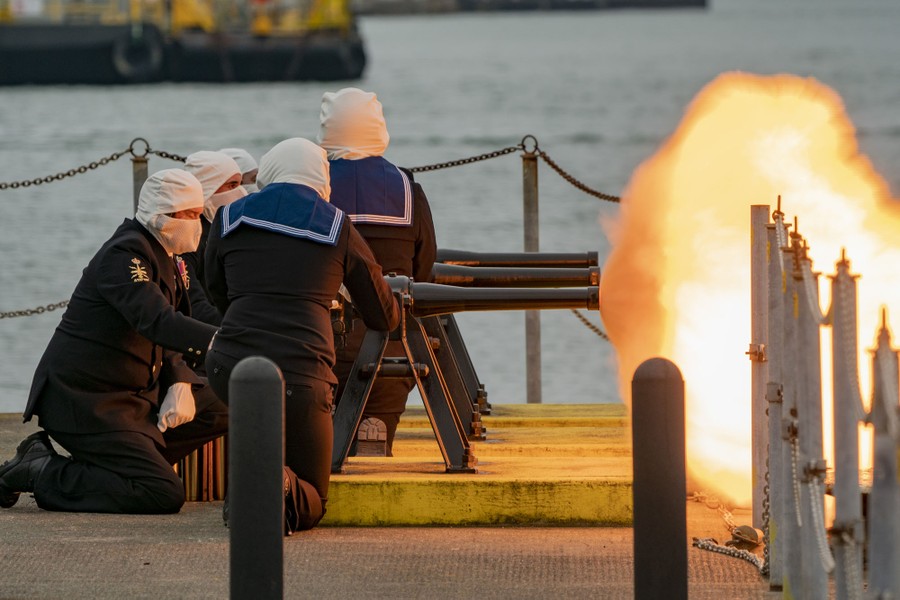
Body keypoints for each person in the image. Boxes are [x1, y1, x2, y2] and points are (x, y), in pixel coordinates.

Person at [0, 169, 228, 514]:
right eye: (191, 215)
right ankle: (41, 469)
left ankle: (129, 462)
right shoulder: (125, 256)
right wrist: (225, 341)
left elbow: (168, 336)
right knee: (161, 493)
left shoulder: (164, 254)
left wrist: (179, 378)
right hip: (88, 402)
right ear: (161, 216)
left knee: (227, 400)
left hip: (134, 396)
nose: (198, 223)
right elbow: (155, 319)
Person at [204, 137, 400, 533]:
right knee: (314, 500)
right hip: (301, 375)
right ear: (320, 177)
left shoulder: (229, 218)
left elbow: (215, 289)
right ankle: (280, 483)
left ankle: (253, 485)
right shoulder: (335, 224)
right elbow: (382, 314)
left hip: (230, 367)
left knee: (261, 422)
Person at [318, 87, 437, 456]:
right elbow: (425, 269)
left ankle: (330, 431)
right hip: (393, 347)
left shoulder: (312, 189)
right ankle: (377, 427)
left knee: (319, 435)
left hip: (321, 346)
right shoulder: (407, 189)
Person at [181, 150, 246, 325]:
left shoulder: (228, 228)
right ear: (207, 187)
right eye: (232, 186)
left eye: (240, 185)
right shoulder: (186, 237)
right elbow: (192, 303)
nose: (241, 192)